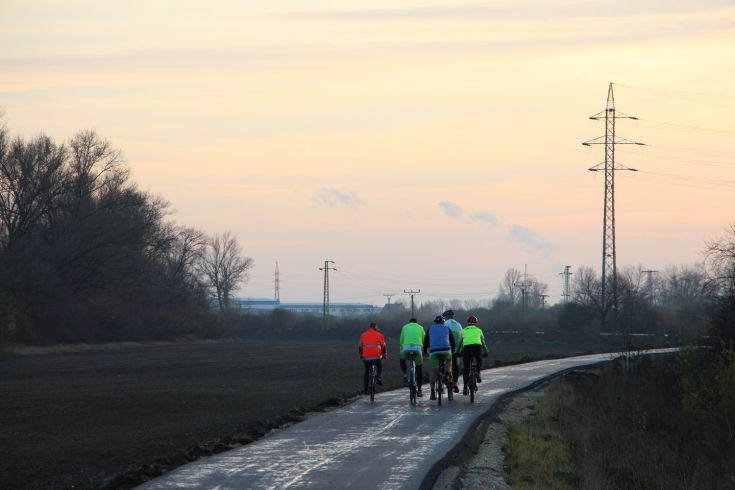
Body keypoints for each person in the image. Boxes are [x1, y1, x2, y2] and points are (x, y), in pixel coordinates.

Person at [423, 315, 456, 400]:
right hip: (446, 350)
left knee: (433, 371)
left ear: (435, 322)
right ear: (443, 322)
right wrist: (453, 351)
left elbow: (425, 342)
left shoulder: (430, 329)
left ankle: (432, 392)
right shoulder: (447, 329)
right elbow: (452, 341)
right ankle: (447, 372)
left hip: (434, 351)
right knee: (449, 359)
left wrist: (424, 352)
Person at [457, 315, 489, 396]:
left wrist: (457, 352)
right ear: (476, 323)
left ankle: (464, 388)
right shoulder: (479, 330)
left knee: (466, 369)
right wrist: (486, 351)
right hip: (477, 347)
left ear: (468, 323)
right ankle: (477, 373)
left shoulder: (463, 330)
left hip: (467, 348)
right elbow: (483, 342)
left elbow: (460, 343)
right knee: (479, 359)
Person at [399, 318, 426, 397]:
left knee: (402, 360)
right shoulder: (420, 327)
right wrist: (423, 350)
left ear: (409, 322)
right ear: (416, 322)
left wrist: (401, 351)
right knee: (419, 369)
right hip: (417, 349)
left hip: (406, 348)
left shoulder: (405, 327)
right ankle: (420, 390)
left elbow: (401, 340)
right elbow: (424, 340)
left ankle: (404, 374)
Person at [359, 322, 386, 394]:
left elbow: (360, 346)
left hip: (366, 358)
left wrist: (361, 355)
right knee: (379, 366)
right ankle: (378, 377)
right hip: (377, 358)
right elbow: (383, 346)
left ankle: (365, 390)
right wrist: (384, 355)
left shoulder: (363, 335)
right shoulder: (380, 335)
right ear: (376, 328)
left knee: (367, 372)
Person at [442, 309, 463, 393]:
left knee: (443, 362)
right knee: (456, 365)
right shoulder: (458, 324)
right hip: (457, 348)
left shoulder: (444, 323)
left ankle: (443, 380)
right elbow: (462, 336)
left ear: (446, 317)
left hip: (447, 347)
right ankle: (455, 383)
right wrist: (461, 348)